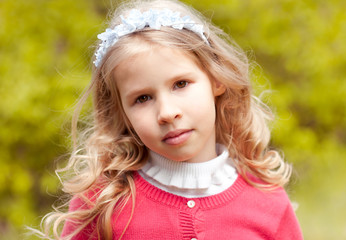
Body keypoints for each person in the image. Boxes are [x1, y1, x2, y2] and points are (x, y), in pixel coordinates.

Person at [39, 0, 303, 239]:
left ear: (216, 79)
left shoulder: (268, 203)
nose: (166, 112)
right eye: (142, 98)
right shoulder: (101, 202)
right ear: (123, 113)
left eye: (180, 84)